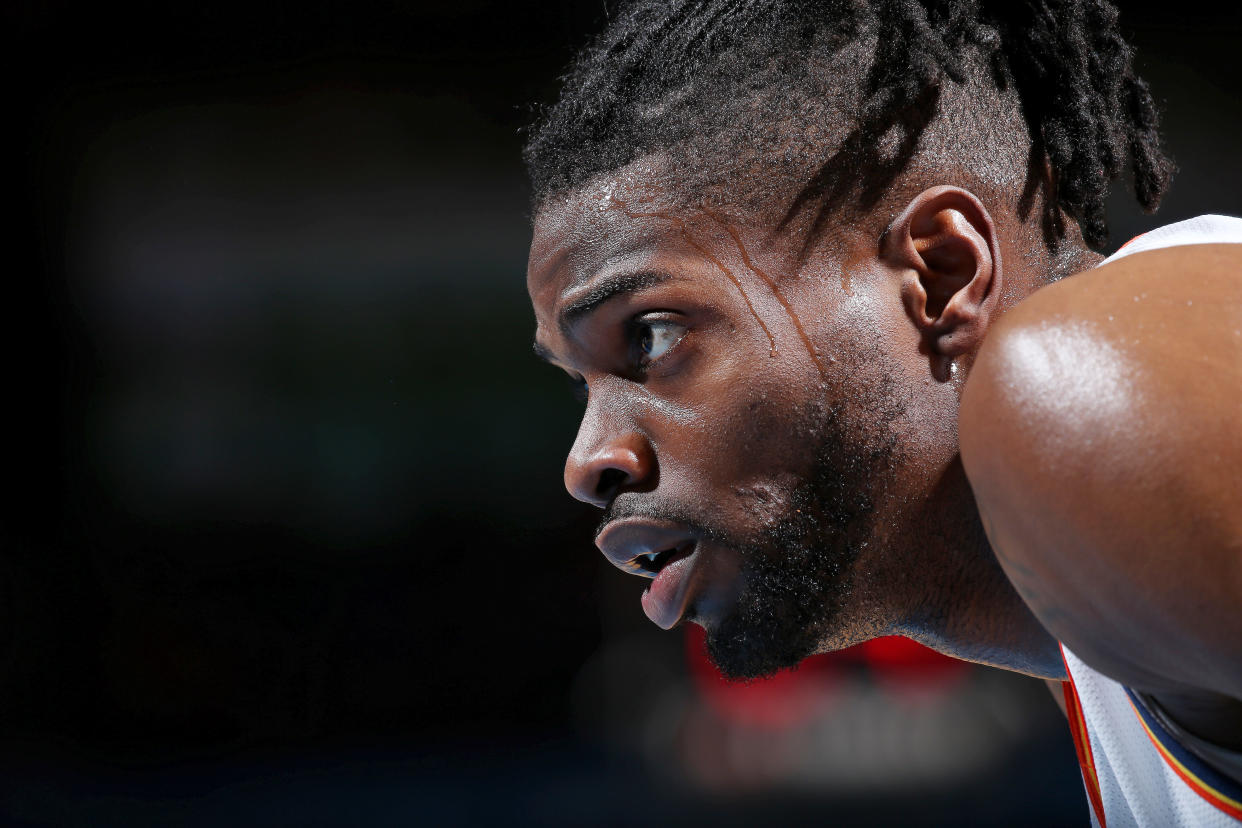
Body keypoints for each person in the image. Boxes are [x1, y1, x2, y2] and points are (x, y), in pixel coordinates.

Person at [522, 1, 1242, 825]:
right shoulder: (1105, 627)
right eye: (581, 385)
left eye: (650, 336)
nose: (587, 462)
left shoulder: (1113, 393)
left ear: (941, 275)